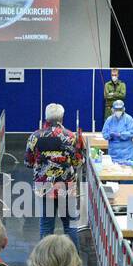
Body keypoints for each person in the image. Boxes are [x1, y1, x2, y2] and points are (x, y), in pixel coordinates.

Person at [26, 103, 85, 248]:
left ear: (46, 118)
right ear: (62, 118)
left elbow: (28, 162)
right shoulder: (71, 137)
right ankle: (74, 263)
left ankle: (44, 263)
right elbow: (77, 162)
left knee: (46, 226)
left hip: (44, 186)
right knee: (70, 225)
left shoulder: (35, 136)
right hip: (66, 186)